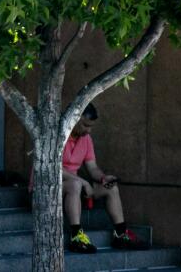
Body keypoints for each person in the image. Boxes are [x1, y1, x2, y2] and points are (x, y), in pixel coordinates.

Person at [63, 103, 149, 254]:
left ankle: (121, 234)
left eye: (91, 127)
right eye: (85, 125)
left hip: (75, 189)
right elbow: (52, 169)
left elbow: (92, 168)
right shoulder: (57, 136)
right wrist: (82, 182)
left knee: (111, 188)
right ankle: (76, 236)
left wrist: (103, 178)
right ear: (75, 119)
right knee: (75, 185)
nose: (88, 130)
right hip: (49, 189)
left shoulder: (86, 139)